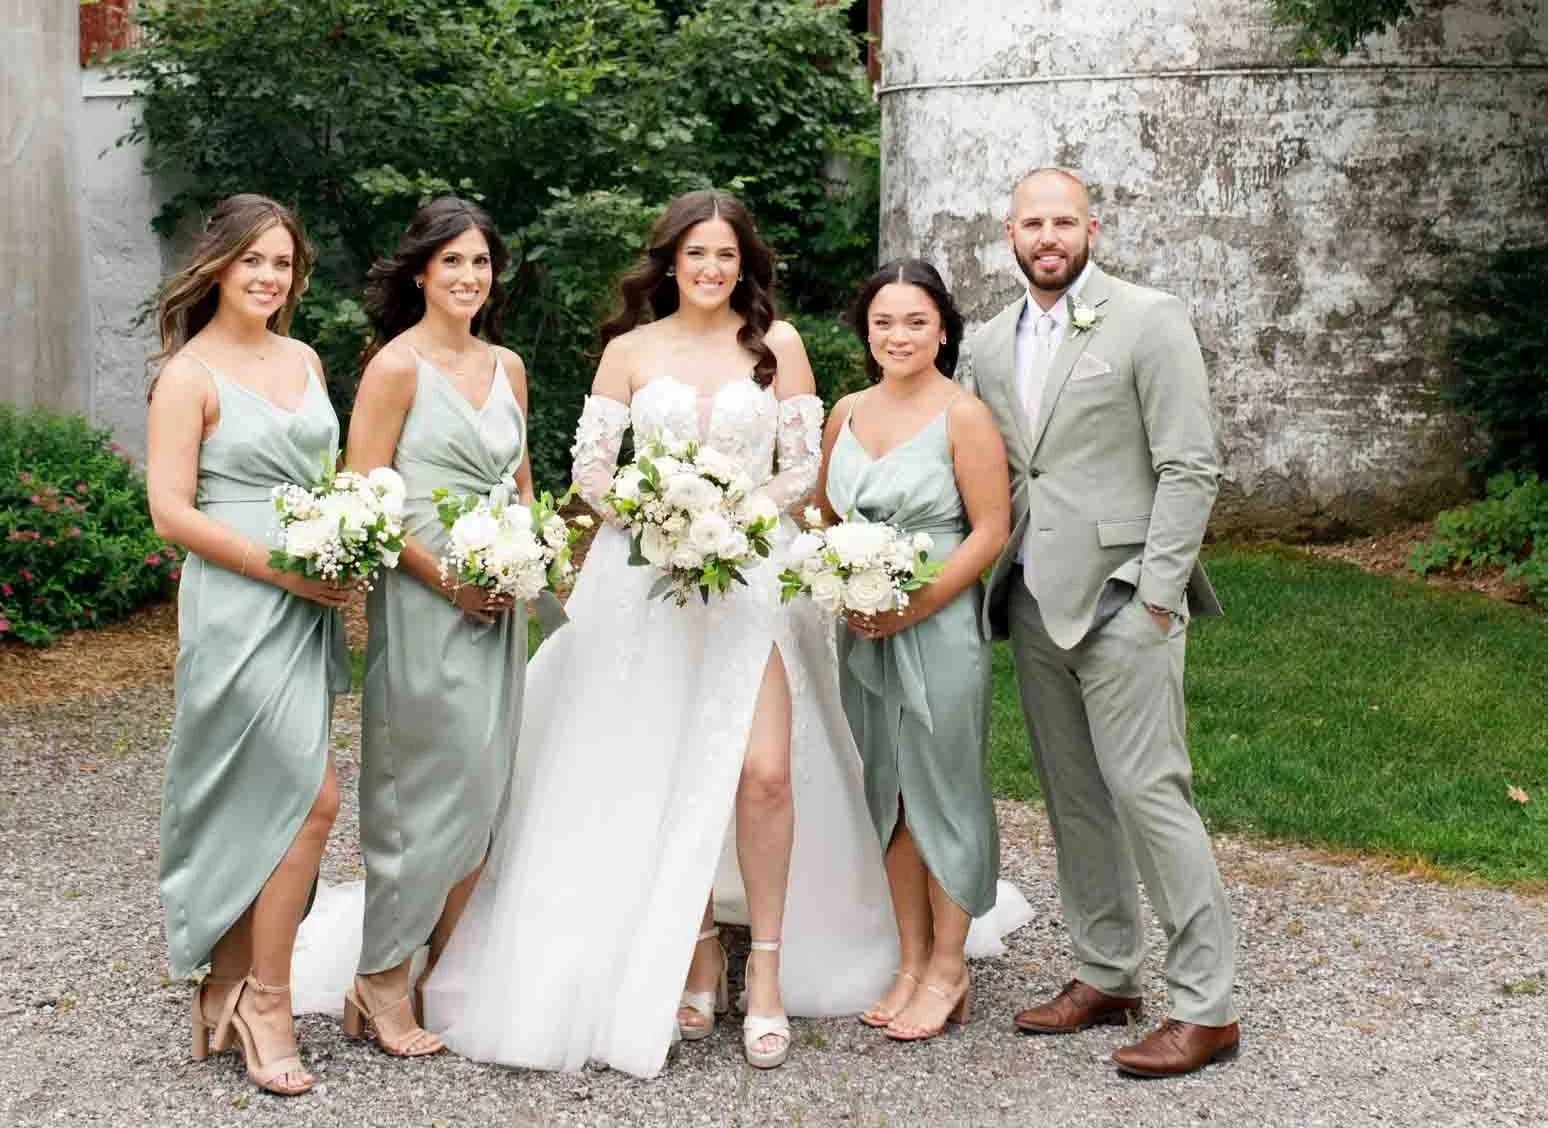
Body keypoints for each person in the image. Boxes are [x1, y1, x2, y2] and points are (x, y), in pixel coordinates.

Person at [421, 190, 903, 1077]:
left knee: (762, 771)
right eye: (695, 256)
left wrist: (739, 516)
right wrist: (660, 525)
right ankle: (697, 946)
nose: (711, 271)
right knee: (661, 761)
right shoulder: (629, 352)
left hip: (754, 576)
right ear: (669, 263)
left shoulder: (778, 345)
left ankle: (766, 971)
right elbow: (593, 471)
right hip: (649, 582)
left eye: (726, 256)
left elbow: (803, 467)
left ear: (744, 264)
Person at [970, 167, 1239, 1079]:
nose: (1047, 237)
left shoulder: (1148, 319)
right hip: (1035, 602)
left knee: (1151, 795)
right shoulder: (983, 342)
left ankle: (1206, 1007)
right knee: (1073, 799)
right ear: (1008, 234)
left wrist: (1158, 593)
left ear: (1092, 226)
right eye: (1030, 223)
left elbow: (1190, 465)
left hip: (1127, 597)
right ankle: (1106, 972)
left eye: (1063, 221)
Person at [147, 195, 349, 1098]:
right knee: (309, 800)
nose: (270, 278)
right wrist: (283, 567)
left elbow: (330, 479)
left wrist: (351, 540)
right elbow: (171, 512)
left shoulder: (304, 358)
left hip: (308, 606)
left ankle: (227, 987)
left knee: (275, 798)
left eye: (284, 264)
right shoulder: (189, 374)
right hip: (238, 604)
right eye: (253, 262)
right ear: (217, 268)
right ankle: (267, 1001)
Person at [325, 199, 534, 1060]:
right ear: (420, 273)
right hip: (423, 598)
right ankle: (379, 976)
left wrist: (525, 556)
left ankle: (438, 966)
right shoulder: (395, 369)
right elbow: (362, 494)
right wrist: (446, 579)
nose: (468, 278)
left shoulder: (509, 364)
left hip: (500, 598)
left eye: (480, 263)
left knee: (487, 783)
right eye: (452, 263)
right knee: (420, 784)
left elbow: (521, 480)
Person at [816, 260, 1031, 1041]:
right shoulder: (844, 413)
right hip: (864, 624)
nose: (897, 336)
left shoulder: (962, 415)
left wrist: (922, 599)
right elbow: (822, 513)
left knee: (943, 786)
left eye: (914, 321)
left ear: (943, 329)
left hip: (937, 621)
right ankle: (909, 961)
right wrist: (843, 582)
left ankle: (950, 966)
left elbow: (990, 529)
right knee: (888, 790)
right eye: (883, 322)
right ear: (865, 331)